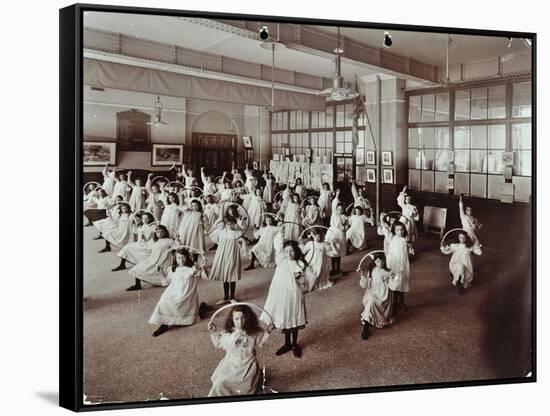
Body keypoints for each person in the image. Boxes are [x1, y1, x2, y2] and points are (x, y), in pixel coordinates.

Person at [261, 232, 310, 358]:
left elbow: (304, 281)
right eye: (286, 251)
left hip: (295, 295)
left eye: (292, 251)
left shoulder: (299, 264)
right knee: (286, 318)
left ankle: (294, 344)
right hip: (283, 296)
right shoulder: (281, 261)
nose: (289, 254)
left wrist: (302, 280)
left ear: (296, 251)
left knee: (294, 317)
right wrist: (280, 232)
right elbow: (278, 244)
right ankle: (287, 343)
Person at [208, 304, 271, 396]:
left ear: (248, 319)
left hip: (248, 364)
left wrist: (268, 331)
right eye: (236, 319)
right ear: (232, 319)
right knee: (220, 383)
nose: (240, 322)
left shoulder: (254, 332)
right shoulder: (229, 334)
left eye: (243, 318)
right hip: (231, 362)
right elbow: (218, 343)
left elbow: (261, 340)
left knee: (245, 387)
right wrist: (213, 331)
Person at [149, 248, 207, 336]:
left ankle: (201, 309)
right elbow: (166, 282)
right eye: (178, 258)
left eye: (183, 257)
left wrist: (201, 266)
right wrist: (161, 272)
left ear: (187, 257)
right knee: (163, 301)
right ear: (175, 259)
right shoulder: (173, 269)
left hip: (186, 292)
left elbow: (201, 275)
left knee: (178, 303)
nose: (181, 260)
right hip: (173, 290)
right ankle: (164, 324)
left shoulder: (191, 269)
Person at [208, 207, 247, 305]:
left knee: (232, 272)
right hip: (223, 249)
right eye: (228, 210)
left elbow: (241, 227)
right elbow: (217, 225)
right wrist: (221, 213)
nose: (230, 212)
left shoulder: (238, 222)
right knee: (224, 273)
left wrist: (239, 221)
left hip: (232, 249)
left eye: (232, 210)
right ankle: (226, 297)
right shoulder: (223, 225)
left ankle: (232, 297)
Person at [357, 254, 395, 340]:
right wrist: (362, 275)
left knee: (371, 303)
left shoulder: (386, 272)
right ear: (374, 262)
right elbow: (367, 284)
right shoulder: (372, 270)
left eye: (382, 261)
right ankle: (367, 325)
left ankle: (366, 328)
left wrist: (392, 276)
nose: (380, 263)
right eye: (378, 261)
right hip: (372, 291)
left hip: (382, 293)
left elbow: (395, 280)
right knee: (370, 301)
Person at [126, 225, 174, 291]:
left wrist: (177, 241)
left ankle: (149, 281)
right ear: (155, 233)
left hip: (162, 261)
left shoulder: (169, 241)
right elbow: (147, 247)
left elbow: (177, 247)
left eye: (162, 232)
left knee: (150, 270)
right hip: (152, 260)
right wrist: (143, 238)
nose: (160, 234)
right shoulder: (153, 241)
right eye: (158, 232)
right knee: (138, 267)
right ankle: (137, 285)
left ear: (165, 232)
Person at [379, 220, 410, 312]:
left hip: (403, 264)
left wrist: (410, 248)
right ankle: (394, 302)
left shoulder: (404, 239)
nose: (400, 232)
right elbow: (385, 229)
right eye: (397, 230)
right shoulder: (391, 238)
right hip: (393, 264)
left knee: (402, 282)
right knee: (394, 282)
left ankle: (401, 301)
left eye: (401, 230)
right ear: (394, 231)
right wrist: (382, 220)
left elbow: (406, 248)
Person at [326, 190, 347, 276]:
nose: (339, 211)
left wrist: (345, 227)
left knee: (338, 251)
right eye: (338, 209)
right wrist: (337, 195)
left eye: (341, 209)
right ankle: (333, 269)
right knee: (332, 251)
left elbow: (346, 226)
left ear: (343, 210)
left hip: (340, 234)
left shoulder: (344, 217)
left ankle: (337, 269)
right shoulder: (334, 215)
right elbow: (334, 203)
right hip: (332, 233)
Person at [397, 186, 420, 255]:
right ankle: (402, 248)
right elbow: (399, 201)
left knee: (411, 236)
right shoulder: (404, 206)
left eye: (409, 199)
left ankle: (410, 248)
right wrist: (403, 191)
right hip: (404, 221)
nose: (408, 200)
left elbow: (416, 216)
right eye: (406, 199)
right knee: (403, 235)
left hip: (411, 221)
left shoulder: (414, 207)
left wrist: (414, 214)